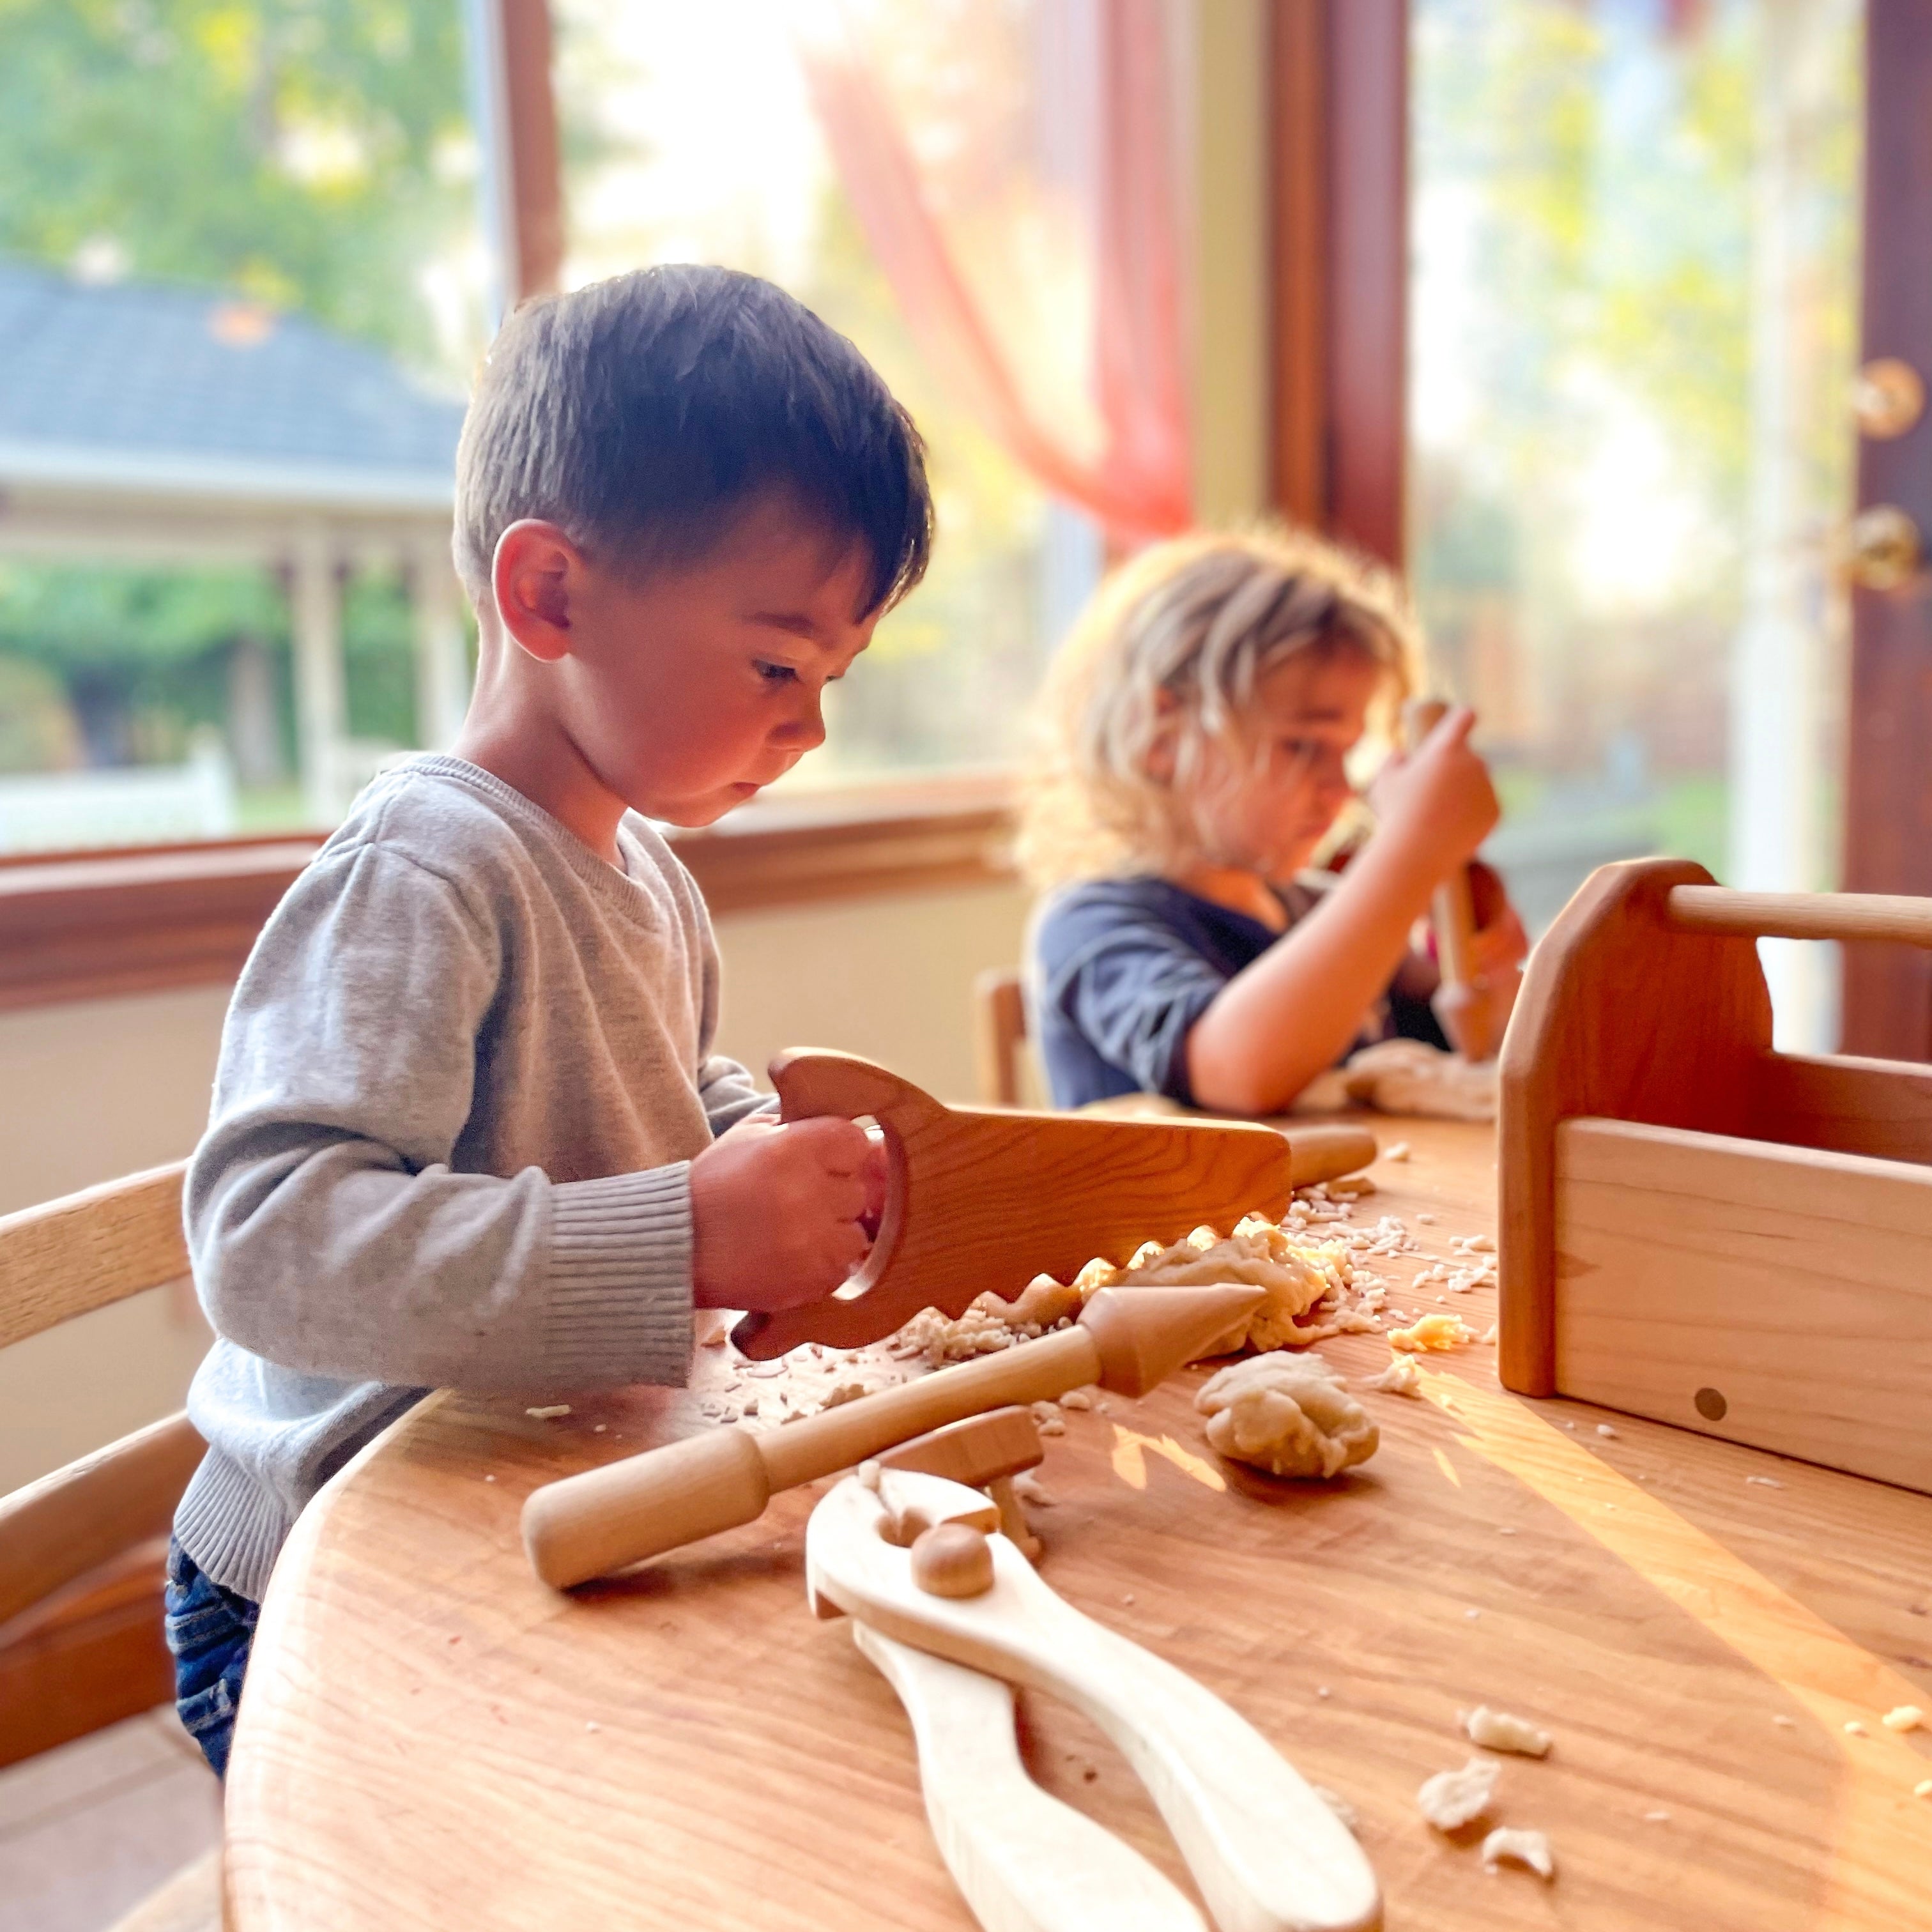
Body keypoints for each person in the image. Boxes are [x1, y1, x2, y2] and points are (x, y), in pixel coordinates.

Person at [164, 266, 933, 1775]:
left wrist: (761, 1147)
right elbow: (267, 1245)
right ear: (552, 595)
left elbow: (659, 1080)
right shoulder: (425, 867)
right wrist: (686, 1242)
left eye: (832, 677)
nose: (809, 726)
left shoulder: (641, 864)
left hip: (529, 1498)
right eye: (779, 663)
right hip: (323, 1585)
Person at [1021, 527, 1526, 1116]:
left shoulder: (1315, 909)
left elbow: (1480, 1045)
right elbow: (1234, 1072)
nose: (1342, 787)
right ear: (1162, 735)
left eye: (1347, 751)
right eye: (1304, 746)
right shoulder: (1092, 924)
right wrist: (1410, 852)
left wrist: (1492, 978)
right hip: (1183, 1212)